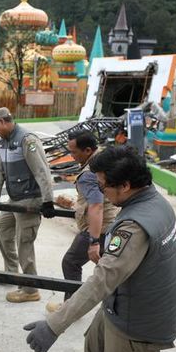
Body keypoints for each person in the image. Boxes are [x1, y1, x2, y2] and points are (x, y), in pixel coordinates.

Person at [23, 146, 176, 352]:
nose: (101, 192)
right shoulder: (154, 202)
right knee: (94, 348)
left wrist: (54, 324)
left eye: (103, 186)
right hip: (123, 302)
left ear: (126, 185)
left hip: (139, 318)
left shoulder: (135, 226)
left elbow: (100, 282)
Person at [0, 107, 55, 303]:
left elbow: (42, 171)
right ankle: (12, 272)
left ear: (2, 122)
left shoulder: (27, 140)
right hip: (14, 199)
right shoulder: (4, 142)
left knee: (24, 242)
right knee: (3, 229)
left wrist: (48, 200)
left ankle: (31, 289)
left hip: (30, 200)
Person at [49, 131, 116, 313]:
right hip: (115, 224)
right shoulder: (104, 156)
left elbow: (96, 206)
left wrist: (93, 240)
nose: (72, 156)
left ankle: (72, 307)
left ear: (87, 150)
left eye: (74, 152)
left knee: (71, 262)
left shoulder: (89, 174)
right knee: (111, 268)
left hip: (99, 228)